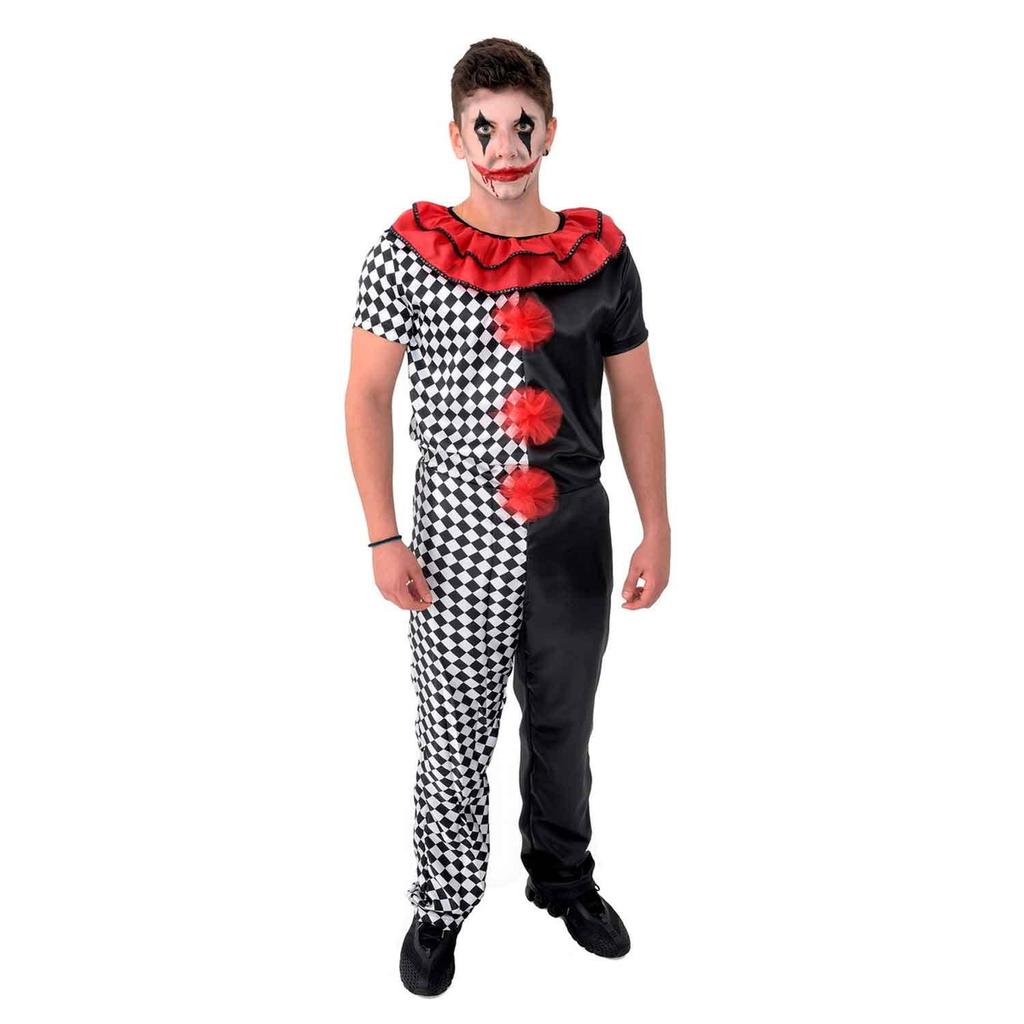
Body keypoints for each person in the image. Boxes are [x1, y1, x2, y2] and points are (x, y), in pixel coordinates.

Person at [345, 37, 670, 996]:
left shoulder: (600, 254)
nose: (504, 148)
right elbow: (366, 396)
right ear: (456, 137)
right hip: (455, 527)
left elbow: (637, 396)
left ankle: (562, 878)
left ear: (551, 131)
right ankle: (443, 900)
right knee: (453, 731)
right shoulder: (408, 252)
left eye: (522, 126)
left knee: (565, 725)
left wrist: (657, 524)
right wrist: (382, 534)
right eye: (483, 128)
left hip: (573, 530)